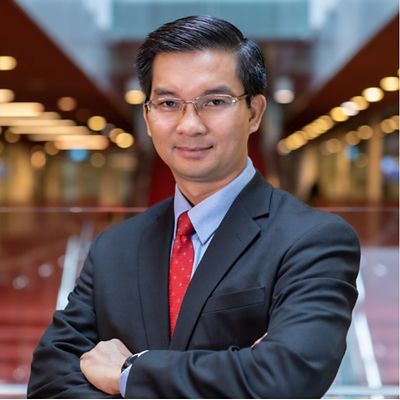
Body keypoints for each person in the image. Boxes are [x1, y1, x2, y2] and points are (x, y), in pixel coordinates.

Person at [28, 15, 360, 398]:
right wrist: (235, 369)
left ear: (254, 113)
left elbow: (285, 377)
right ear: (148, 117)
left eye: (215, 101)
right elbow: (50, 378)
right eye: (168, 103)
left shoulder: (314, 240)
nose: (190, 125)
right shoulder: (114, 247)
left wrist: (128, 374)